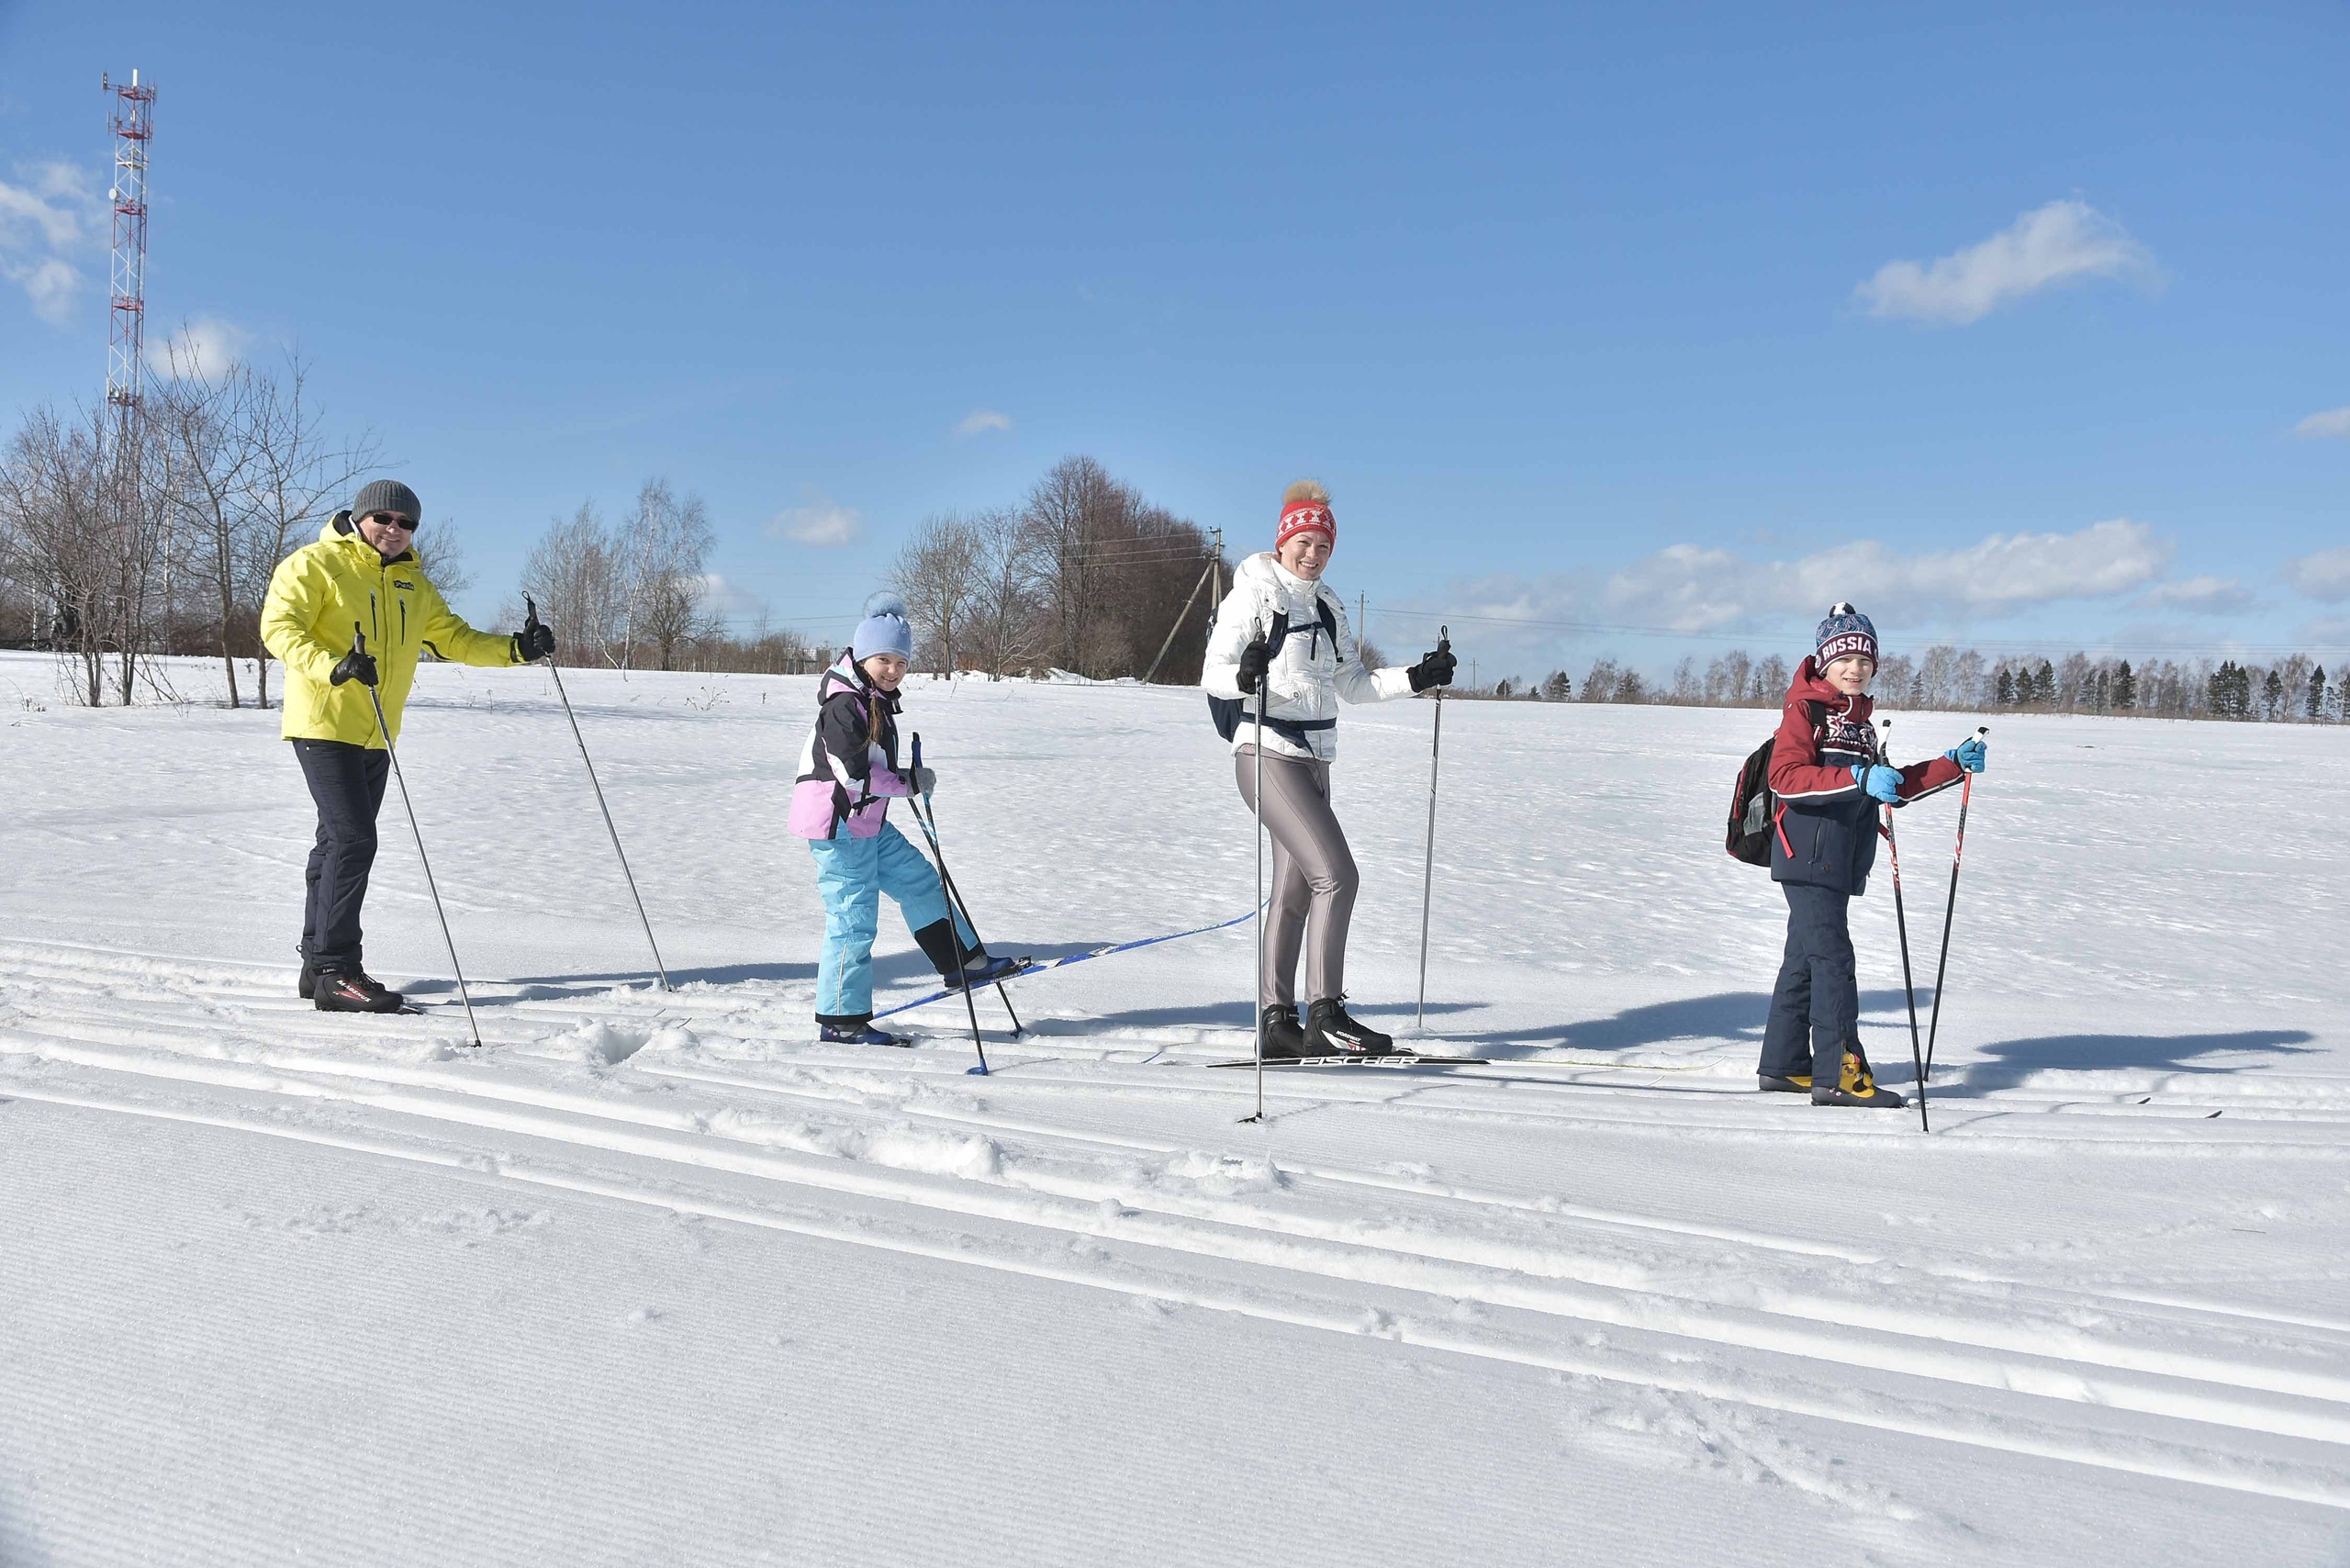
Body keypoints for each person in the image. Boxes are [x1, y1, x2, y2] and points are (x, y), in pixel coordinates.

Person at [259, 479, 555, 1012]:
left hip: (377, 732)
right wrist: (334, 666)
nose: (394, 531)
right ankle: (335, 968)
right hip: (324, 723)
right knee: (353, 841)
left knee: (334, 844)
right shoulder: (314, 564)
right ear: (361, 517)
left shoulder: (413, 585)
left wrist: (517, 649)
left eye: (407, 524)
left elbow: (455, 638)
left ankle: (315, 964)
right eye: (385, 520)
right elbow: (279, 628)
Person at [1200, 480, 1456, 1058]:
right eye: (1304, 542)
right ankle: (1326, 1012)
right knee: (1337, 876)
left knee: (1294, 892)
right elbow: (1214, 672)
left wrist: (1416, 677)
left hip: (1315, 761)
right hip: (1266, 753)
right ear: (1284, 539)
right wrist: (1244, 673)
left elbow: (1353, 684)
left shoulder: (1326, 605)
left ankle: (1277, 1023)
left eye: (1323, 545)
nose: (1312, 554)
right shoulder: (1254, 595)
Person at [1759, 602, 1987, 1106]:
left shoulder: (1860, 722)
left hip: (1838, 860)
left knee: (1804, 959)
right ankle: (1841, 1073)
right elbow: (1786, 778)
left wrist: (1950, 765)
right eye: (1843, 658)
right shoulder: (1805, 711)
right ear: (1823, 661)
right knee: (1834, 960)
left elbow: (1893, 789)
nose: (1854, 668)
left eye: (1864, 659)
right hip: (1807, 856)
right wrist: (1856, 777)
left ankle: (1785, 1062)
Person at [789, 592, 1021, 1046]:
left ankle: (962, 963)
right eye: (883, 659)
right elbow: (852, 774)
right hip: (838, 827)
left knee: (920, 882)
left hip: (867, 824)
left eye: (900, 661)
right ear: (861, 656)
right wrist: (907, 781)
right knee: (853, 921)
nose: (892, 669)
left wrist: (903, 778)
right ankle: (842, 1019)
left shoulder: (875, 699)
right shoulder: (843, 705)